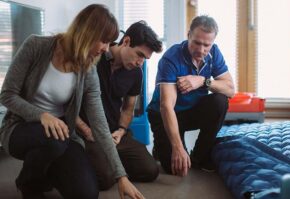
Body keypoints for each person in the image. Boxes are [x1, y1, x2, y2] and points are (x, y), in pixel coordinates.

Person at [0, 4, 144, 199]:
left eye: (110, 43)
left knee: (87, 193)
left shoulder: (88, 70)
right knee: (55, 140)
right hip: (20, 127)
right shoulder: (36, 46)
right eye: (103, 41)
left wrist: (121, 176)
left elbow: (100, 124)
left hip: (62, 134)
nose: (106, 49)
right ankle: (28, 183)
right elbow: (7, 94)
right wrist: (42, 115)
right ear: (86, 31)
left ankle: (47, 170)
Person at [76, 20, 162, 190]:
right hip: (89, 133)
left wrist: (121, 131)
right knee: (105, 180)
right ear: (127, 41)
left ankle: (109, 160)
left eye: (145, 59)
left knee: (150, 170)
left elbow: (128, 108)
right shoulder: (95, 57)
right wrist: (86, 131)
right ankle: (96, 162)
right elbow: (68, 103)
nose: (140, 62)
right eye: (139, 55)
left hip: (115, 133)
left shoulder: (136, 73)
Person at [147, 15, 235, 177]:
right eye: (197, 42)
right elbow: (166, 106)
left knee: (220, 101)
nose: (201, 50)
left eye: (206, 45)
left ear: (213, 42)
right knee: (178, 170)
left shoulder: (214, 54)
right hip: (165, 115)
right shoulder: (171, 59)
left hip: (191, 110)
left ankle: (199, 156)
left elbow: (230, 89)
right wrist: (178, 148)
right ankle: (161, 147)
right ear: (188, 36)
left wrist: (203, 81)